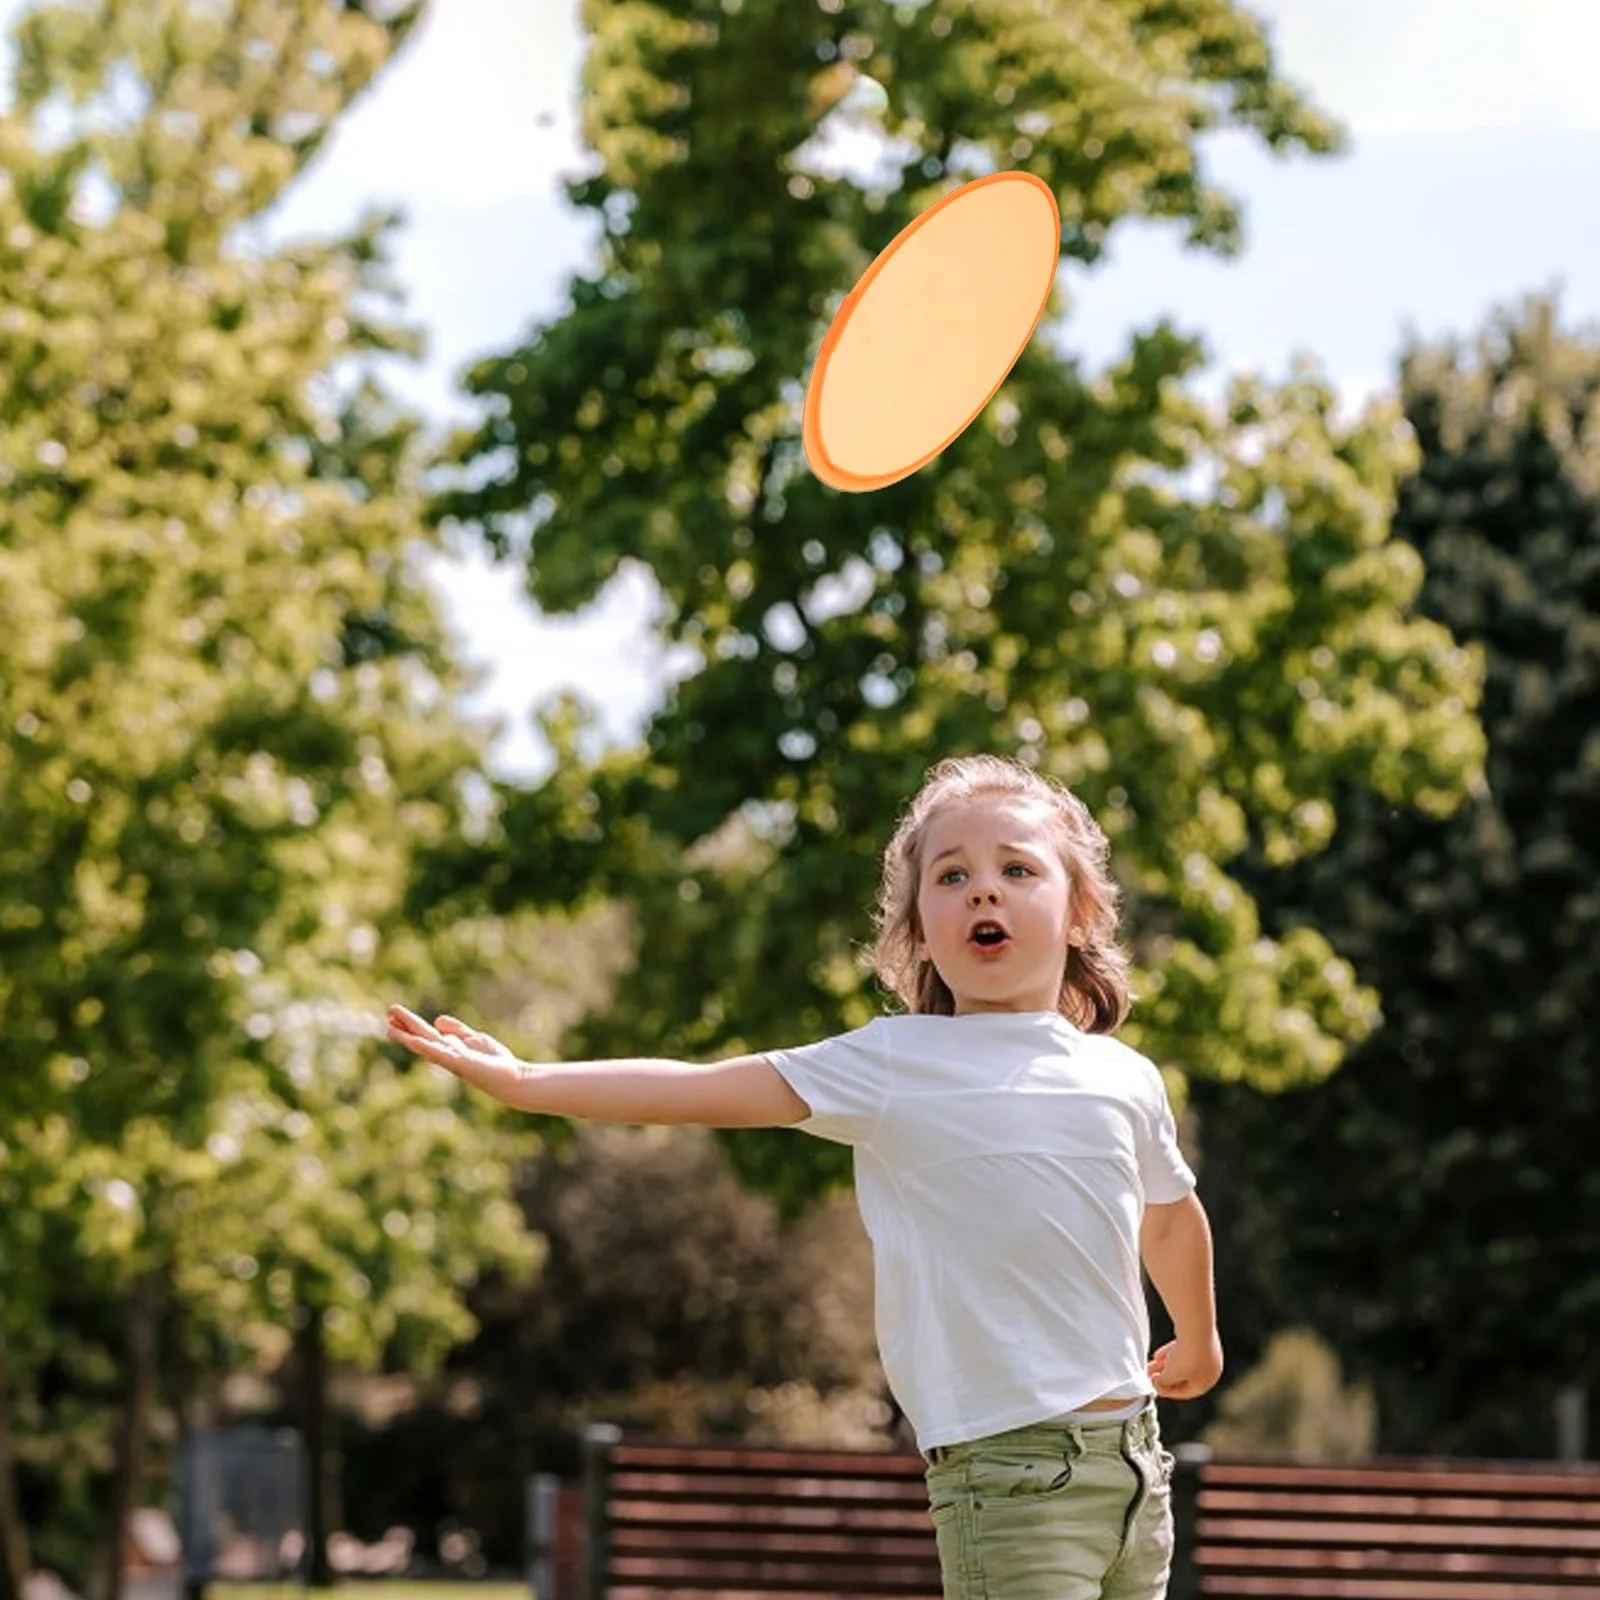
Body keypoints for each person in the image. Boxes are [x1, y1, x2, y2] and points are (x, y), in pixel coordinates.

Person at [386, 752, 1223, 1599]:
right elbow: (700, 1088)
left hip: (1134, 1463)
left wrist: (1199, 1335)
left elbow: (1168, 1214)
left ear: (1079, 913)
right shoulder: (894, 1063)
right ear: (919, 929)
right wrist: (529, 1081)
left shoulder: (1125, 1076)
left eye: (1017, 869)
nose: (983, 890)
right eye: (952, 875)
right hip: (1008, 1475)